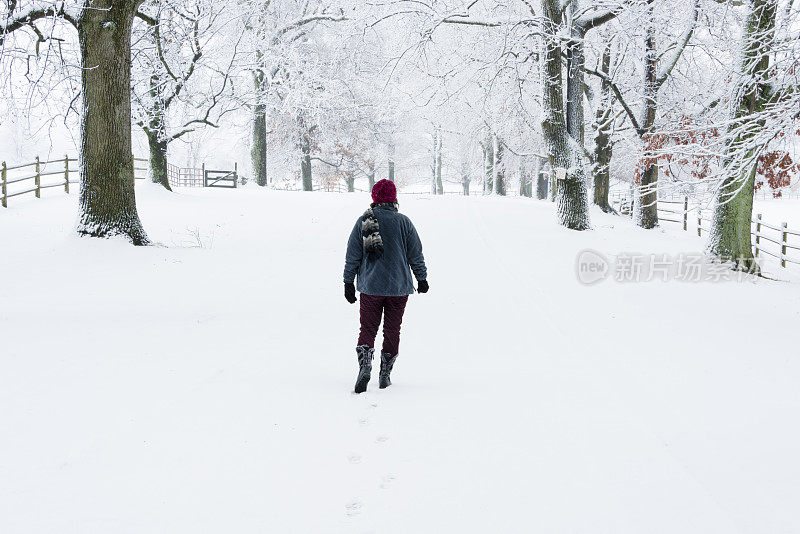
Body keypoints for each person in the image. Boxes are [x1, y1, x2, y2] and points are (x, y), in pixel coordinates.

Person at [343, 179, 428, 393]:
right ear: (394, 198)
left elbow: (352, 255)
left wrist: (348, 282)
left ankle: (365, 365)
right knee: (392, 330)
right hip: (398, 287)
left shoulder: (364, 221)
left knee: (368, 329)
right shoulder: (404, 222)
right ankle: (385, 374)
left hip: (371, 287)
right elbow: (415, 254)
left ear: (374, 198)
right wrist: (422, 278)